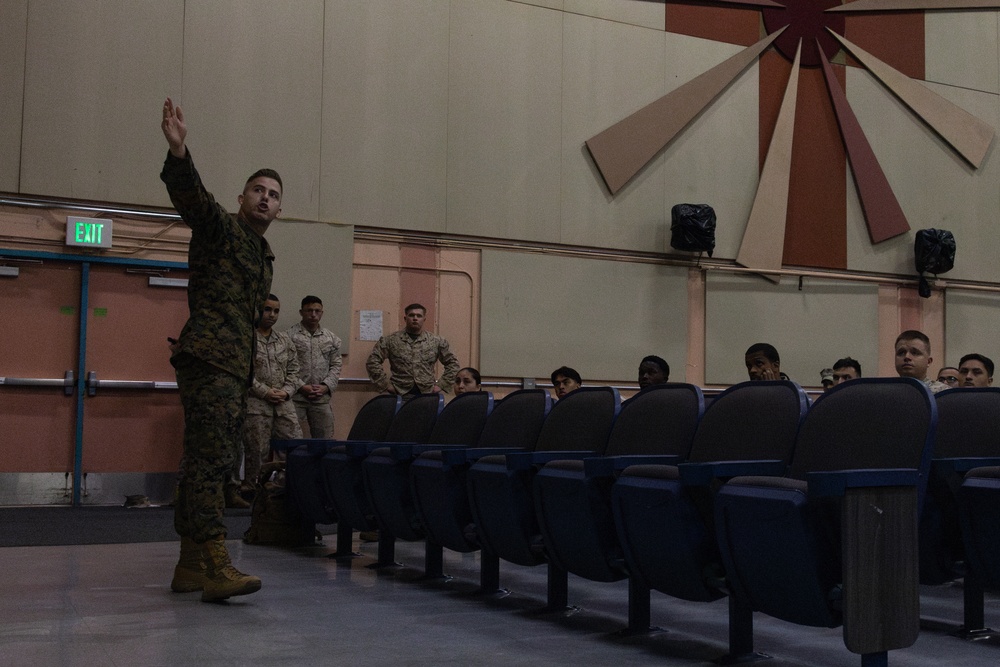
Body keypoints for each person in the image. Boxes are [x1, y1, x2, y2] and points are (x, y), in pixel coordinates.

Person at [161, 97, 279, 602]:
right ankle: (214, 558)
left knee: (205, 459)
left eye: (274, 194)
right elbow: (195, 201)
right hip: (210, 357)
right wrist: (180, 150)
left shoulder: (262, 252)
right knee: (213, 462)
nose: (265, 198)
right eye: (258, 189)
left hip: (231, 364)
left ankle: (189, 563)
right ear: (242, 196)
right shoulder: (222, 227)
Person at [238, 294, 303, 504]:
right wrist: (265, 391)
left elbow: (294, 370)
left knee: (293, 446)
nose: (272, 315)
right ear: (258, 311)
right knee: (257, 450)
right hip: (257, 404)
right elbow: (244, 373)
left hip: (284, 404)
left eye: (276, 311)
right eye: (267, 310)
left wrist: (286, 391)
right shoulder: (247, 338)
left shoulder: (284, 340)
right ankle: (253, 491)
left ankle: (286, 488)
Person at [366, 303, 460, 397]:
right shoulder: (390, 340)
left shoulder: (436, 341)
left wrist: (442, 385)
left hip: (427, 393)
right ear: (405, 318)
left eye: (419, 316)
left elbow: (453, 363)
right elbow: (372, 362)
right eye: (411, 315)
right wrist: (385, 385)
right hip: (399, 393)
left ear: (424, 319)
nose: (415, 318)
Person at [287, 295, 343, 437]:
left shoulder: (331, 338)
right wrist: (300, 386)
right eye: (309, 310)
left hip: (321, 398)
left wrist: (326, 386)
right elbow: (283, 366)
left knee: (324, 441)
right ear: (301, 312)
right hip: (296, 397)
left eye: (317, 311)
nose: (313, 314)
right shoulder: (288, 336)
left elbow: (336, 365)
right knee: (290, 438)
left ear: (322, 313)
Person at [894, 330, 949, 394]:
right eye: (901, 353)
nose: (907, 357)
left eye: (915, 353)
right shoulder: (886, 392)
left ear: (928, 362)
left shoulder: (944, 392)